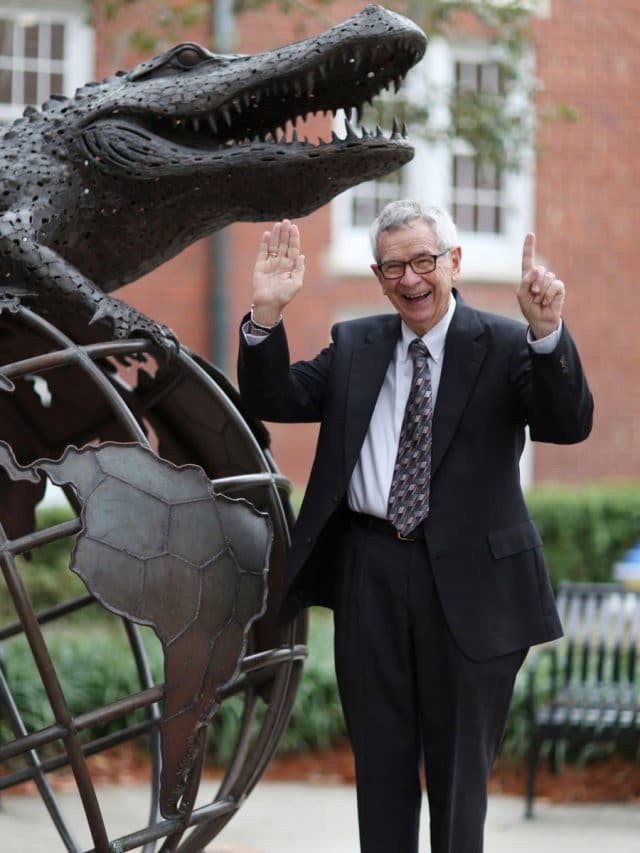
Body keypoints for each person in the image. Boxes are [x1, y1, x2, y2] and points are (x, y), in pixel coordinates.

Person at [237, 200, 593, 853]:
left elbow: (567, 421)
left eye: (423, 261)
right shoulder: (356, 344)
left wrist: (548, 333)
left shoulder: (507, 345)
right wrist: (266, 314)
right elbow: (273, 399)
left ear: (453, 262)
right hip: (371, 574)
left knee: (459, 785)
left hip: (473, 589)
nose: (410, 279)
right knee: (381, 770)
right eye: (393, 266)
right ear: (378, 275)